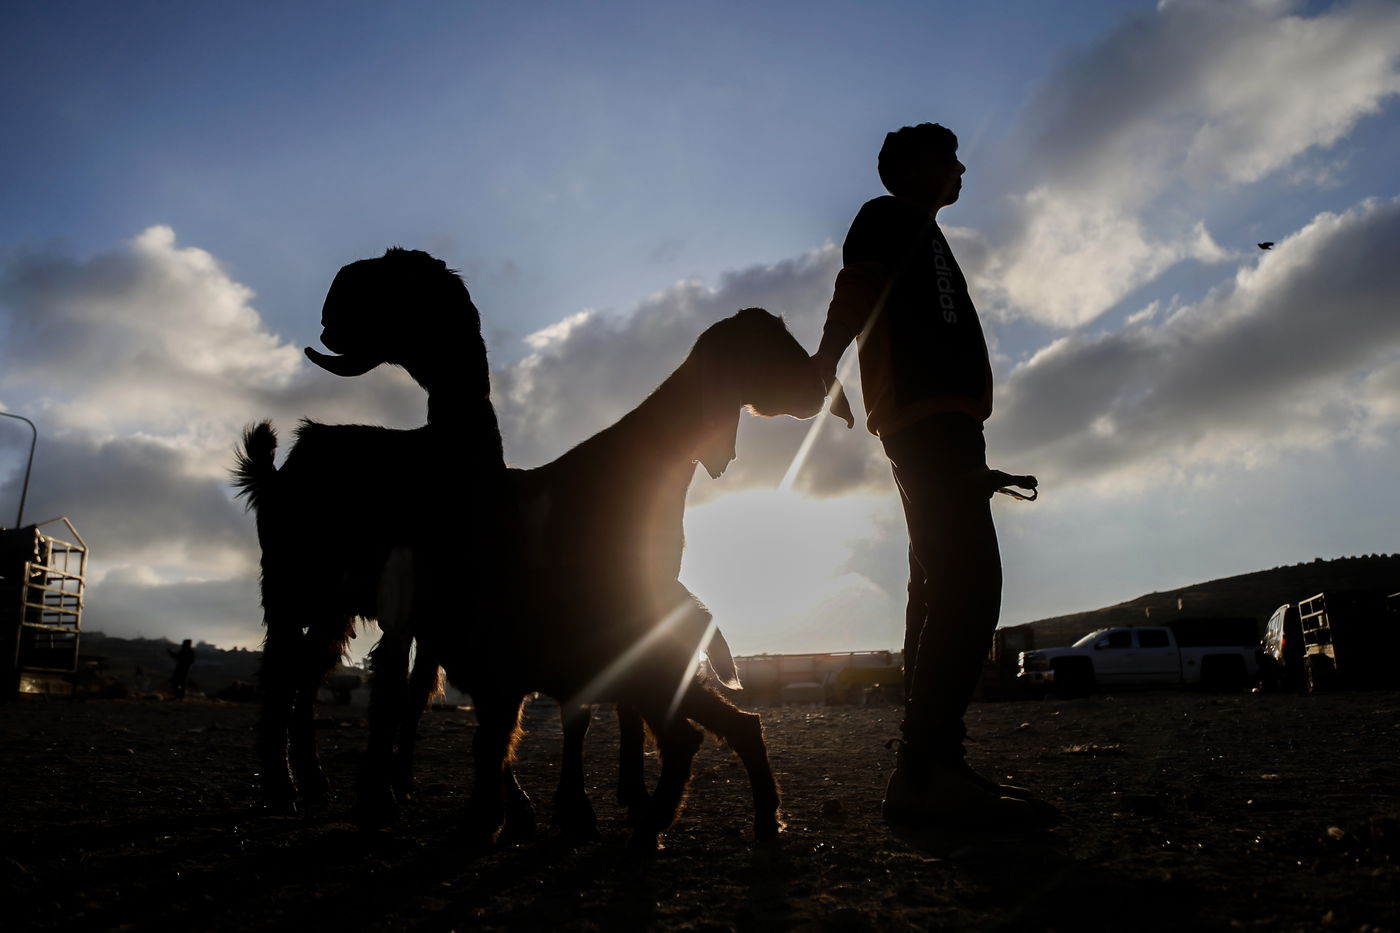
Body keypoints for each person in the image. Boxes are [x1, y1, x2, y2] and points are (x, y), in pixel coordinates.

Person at [811, 123, 1051, 829]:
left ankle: (926, 770)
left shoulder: (921, 230)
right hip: (925, 426)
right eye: (950, 158)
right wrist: (825, 360)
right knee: (970, 583)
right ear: (915, 167)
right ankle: (927, 769)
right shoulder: (884, 219)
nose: (963, 167)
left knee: (937, 584)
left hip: (947, 427)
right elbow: (855, 291)